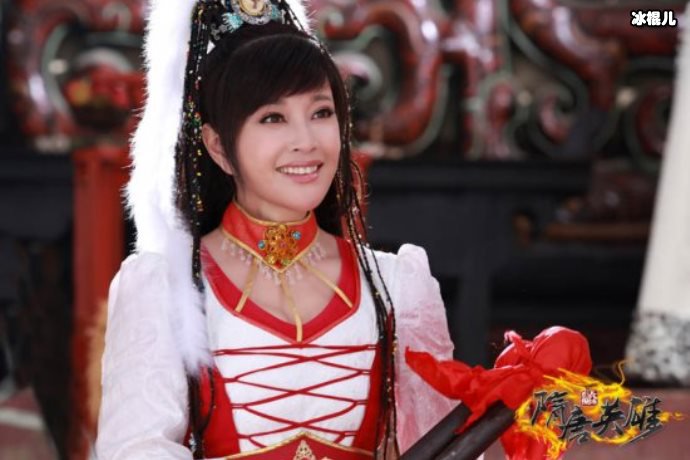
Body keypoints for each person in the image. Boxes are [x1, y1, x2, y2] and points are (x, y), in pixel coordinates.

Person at [95, 0, 457, 458]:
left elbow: (448, 443)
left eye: (321, 113)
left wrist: (535, 406)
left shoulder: (397, 286)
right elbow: (135, 450)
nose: (306, 141)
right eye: (273, 118)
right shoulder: (167, 289)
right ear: (218, 146)